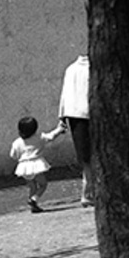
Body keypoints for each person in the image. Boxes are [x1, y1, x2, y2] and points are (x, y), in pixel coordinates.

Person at [10, 116, 67, 213]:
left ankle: (33, 206)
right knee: (43, 185)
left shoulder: (17, 142)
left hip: (24, 167)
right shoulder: (39, 138)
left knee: (32, 187)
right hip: (36, 165)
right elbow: (51, 136)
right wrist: (60, 129)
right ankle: (34, 199)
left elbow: (13, 155)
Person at [58, 54, 93, 207]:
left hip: (74, 115)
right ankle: (88, 192)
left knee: (85, 157)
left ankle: (87, 192)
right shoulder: (93, 69)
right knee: (93, 155)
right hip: (90, 113)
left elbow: (65, 93)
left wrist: (62, 115)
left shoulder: (70, 69)